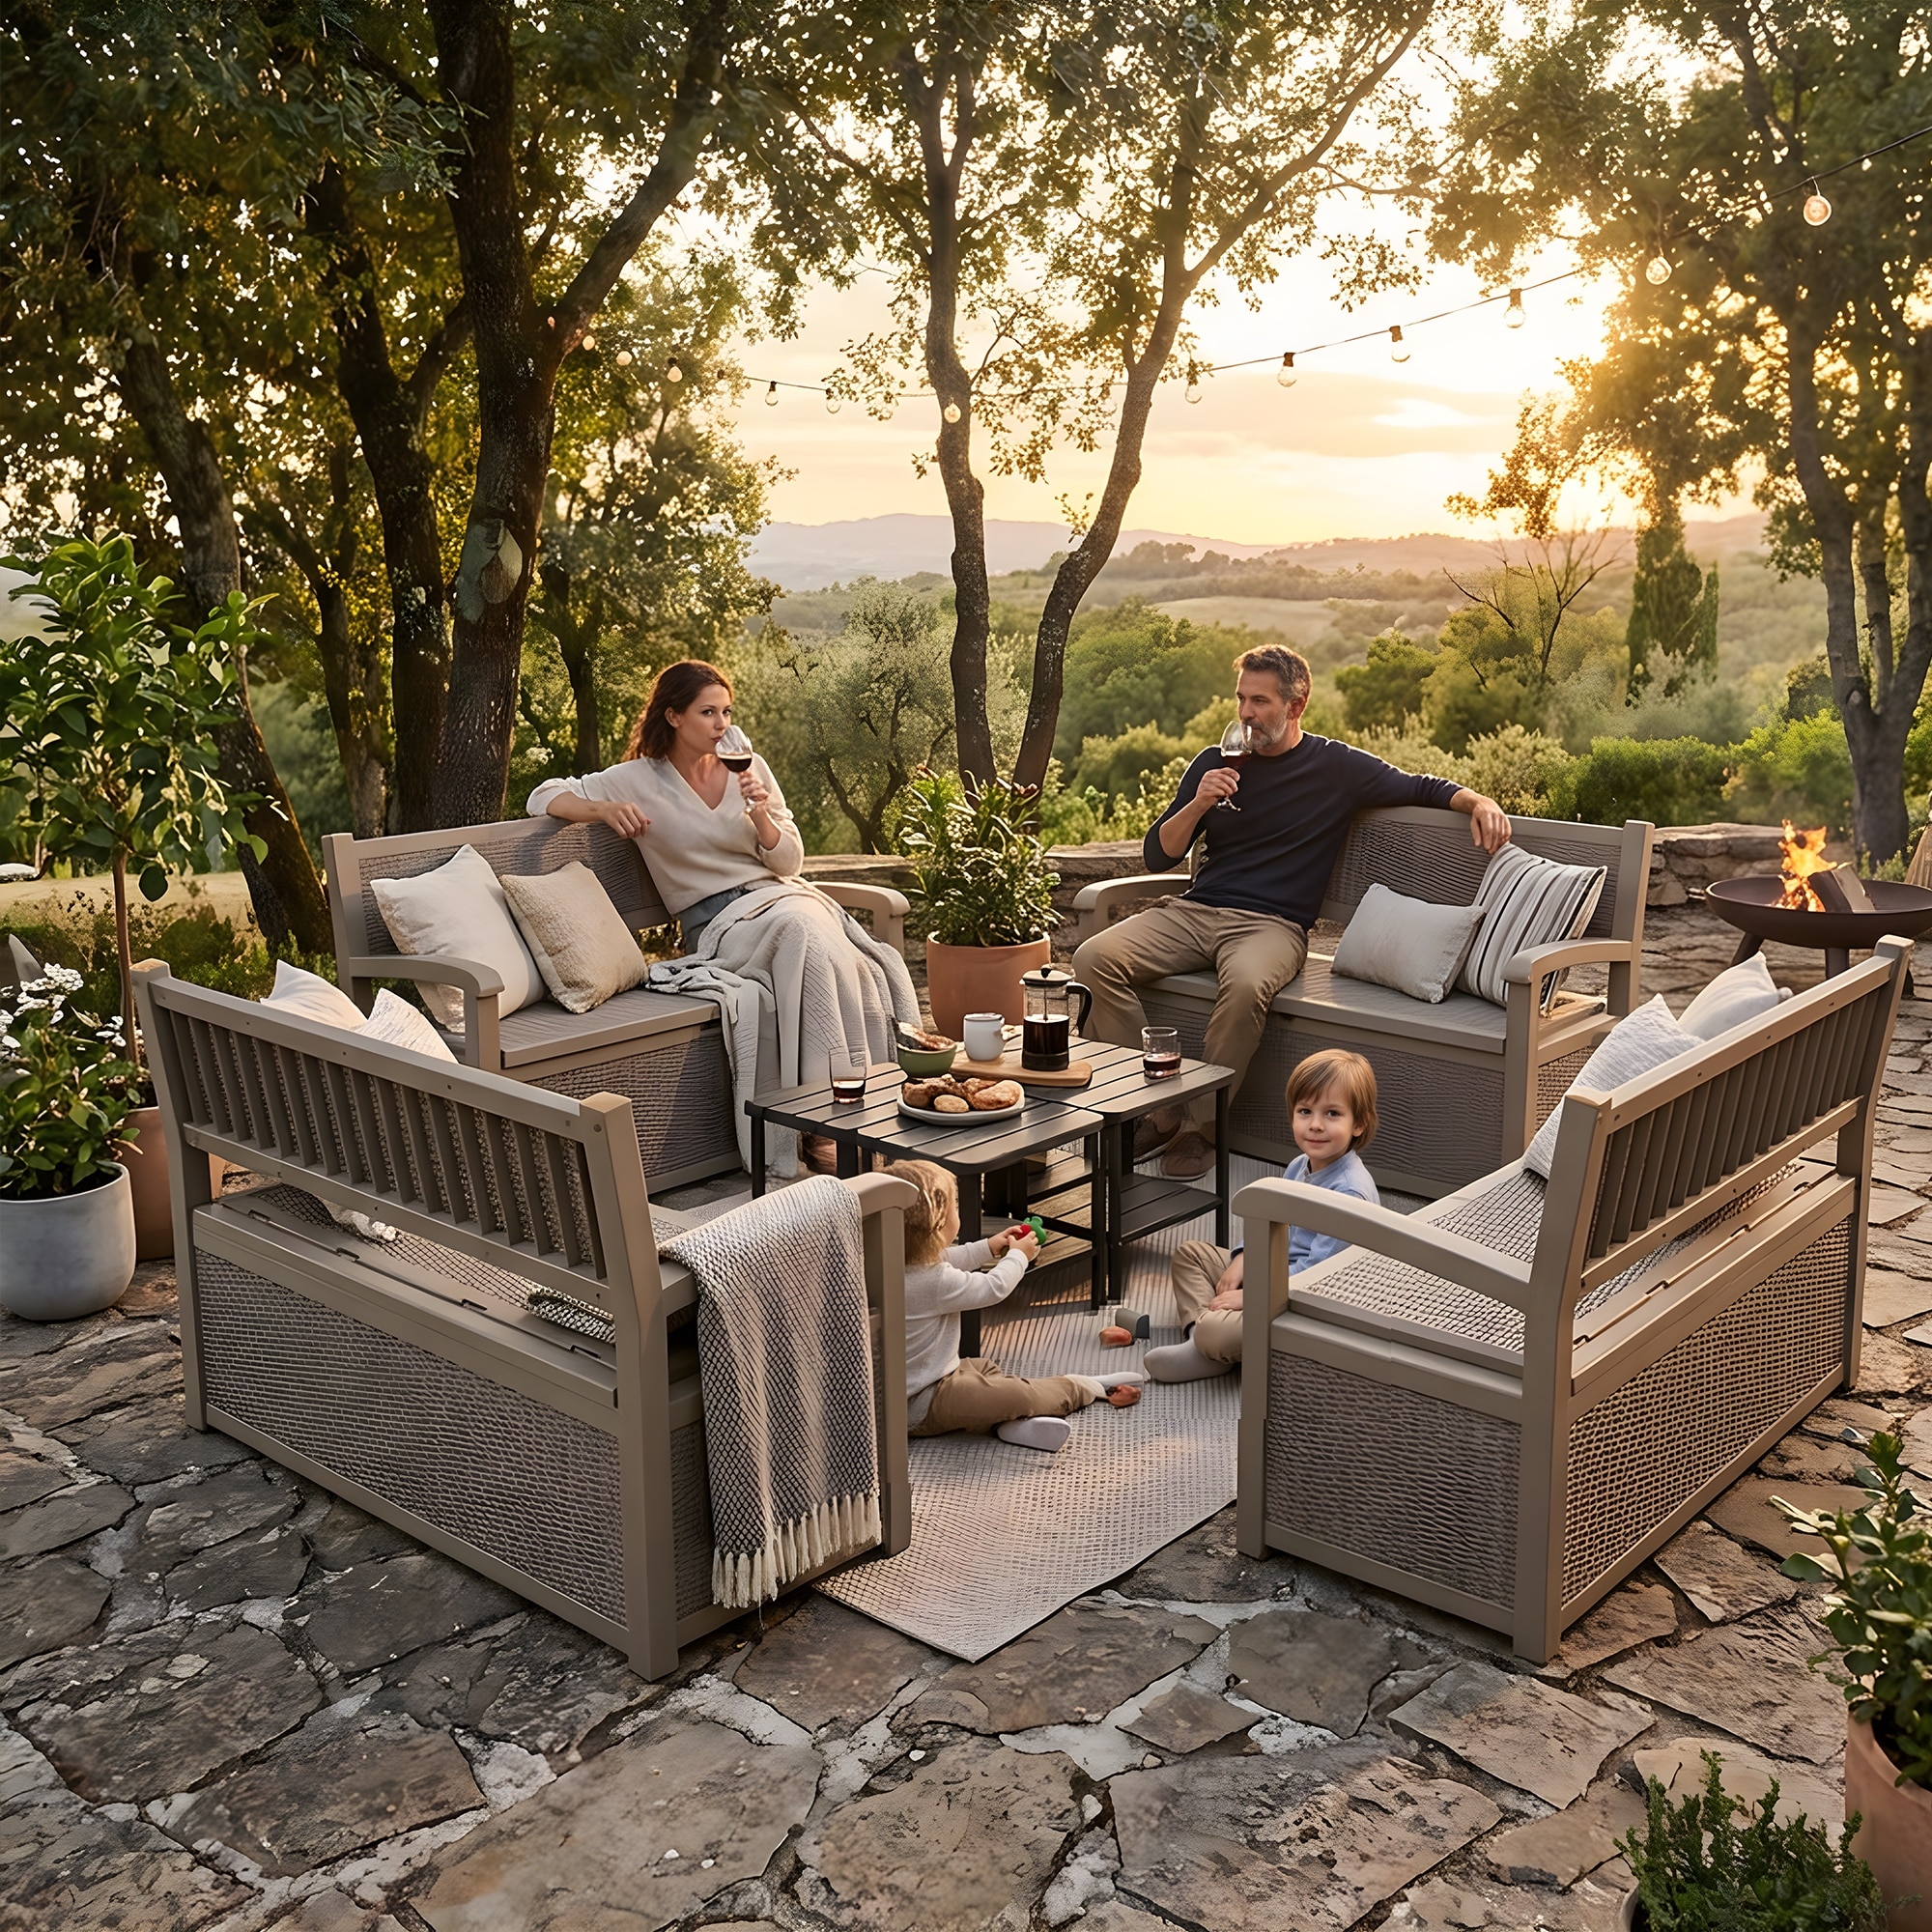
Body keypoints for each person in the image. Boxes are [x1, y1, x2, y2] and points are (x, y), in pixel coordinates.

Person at [1070, 643, 1512, 1179]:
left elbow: (1422, 786)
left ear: (1295, 705)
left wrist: (1480, 802)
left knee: (1244, 988)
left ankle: (1199, 1128)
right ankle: (1157, 1106)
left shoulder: (1336, 767)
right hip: (1194, 912)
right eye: (1241, 699)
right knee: (1093, 958)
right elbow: (1158, 854)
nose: (1246, 713)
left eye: (1259, 701)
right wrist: (1200, 802)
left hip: (1272, 926)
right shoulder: (1214, 762)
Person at [527, 658, 803, 953]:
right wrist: (604, 809)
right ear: (674, 717)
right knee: (798, 939)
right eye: (708, 712)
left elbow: (790, 865)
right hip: (714, 924)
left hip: (776, 901)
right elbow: (542, 796)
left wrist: (759, 813)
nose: (722, 724)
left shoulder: (751, 767)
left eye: (726, 711)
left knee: (807, 933)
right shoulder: (637, 778)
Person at [1146, 1047, 1380, 1382]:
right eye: (1305, 1111)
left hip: (1310, 1301)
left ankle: (1206, 1339)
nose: (1315, 1125)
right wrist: (1245, 1258)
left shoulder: (1349, 1193)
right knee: (1190, 1255)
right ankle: (1204, 1345)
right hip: (1277, 1272)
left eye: (1332, 1114)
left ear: (1359, 1123)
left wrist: (1249, 1296)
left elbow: (1317, 1279)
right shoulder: (1300, 1166)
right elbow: (1271, 1225)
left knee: (1218, 1329)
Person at [889, 1159, 1146, 1453]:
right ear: (938, 1226)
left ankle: (1011, 1426)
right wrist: (1019, 1256)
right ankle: (1084, 1387)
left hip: (932, 1378)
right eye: (954, 1207)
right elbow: (994, 1287)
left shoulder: (893, 1260)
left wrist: (989, 1247)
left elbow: (946, 1258)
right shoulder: (933, 1281)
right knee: (1016, 1395)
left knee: (984, 1370)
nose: (957, 1211)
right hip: (922, 1402)